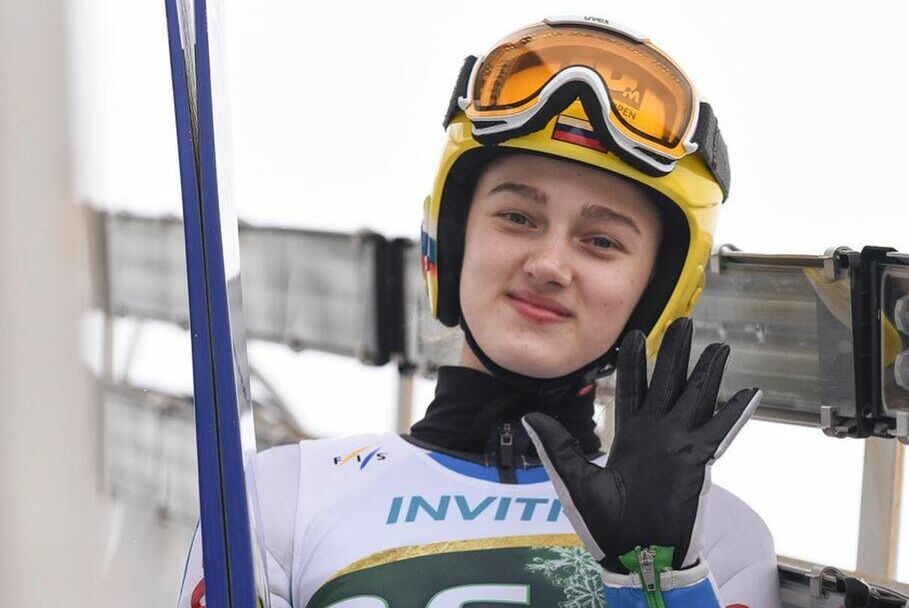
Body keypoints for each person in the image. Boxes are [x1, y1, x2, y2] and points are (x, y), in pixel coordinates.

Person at [179, 16, 782, 608]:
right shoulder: (276, 500)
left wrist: (658, 577)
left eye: (601, 241)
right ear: (452, 239)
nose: (548, 264)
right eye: (517, 217)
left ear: (658, 291)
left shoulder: (718, 541)